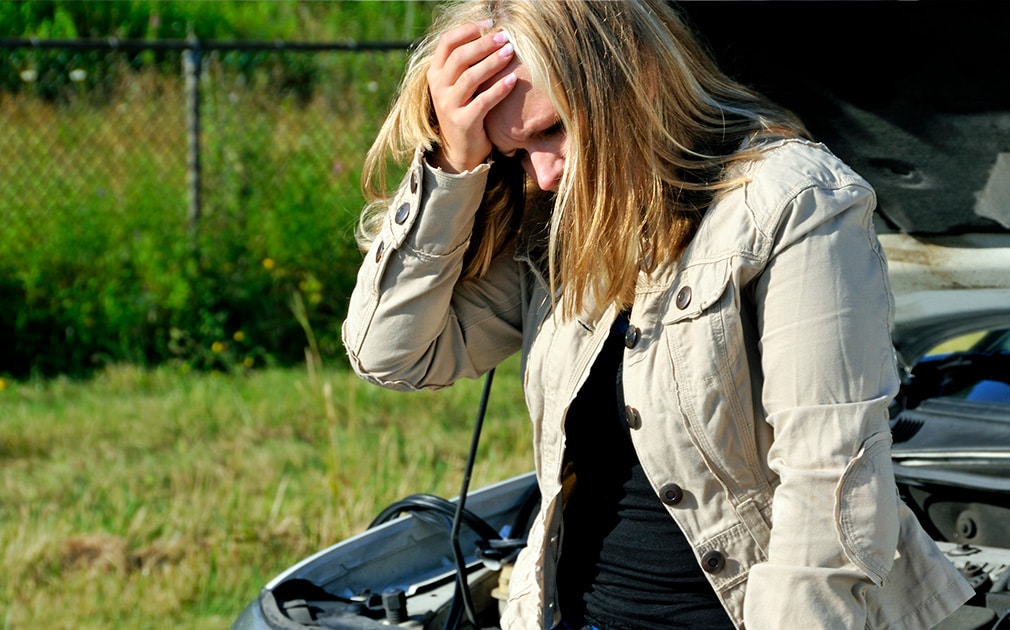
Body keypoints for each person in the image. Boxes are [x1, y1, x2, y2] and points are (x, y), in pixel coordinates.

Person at [343, 1, 974, 628]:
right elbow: (393, 354)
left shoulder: (794, 203)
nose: (544, 173)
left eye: (552, 131)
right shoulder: (561, 215)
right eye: (513, 150)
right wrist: (453, 167)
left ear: (634, 77)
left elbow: (829, 488)